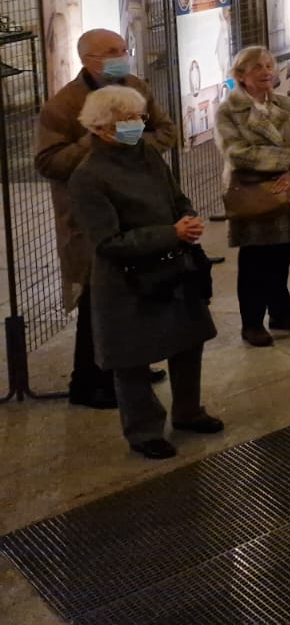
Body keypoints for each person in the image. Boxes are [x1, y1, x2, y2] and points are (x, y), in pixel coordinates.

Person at [68, 86, 221, 459]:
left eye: (139, 117)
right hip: (128, 279)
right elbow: (108, 242)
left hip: (173, 266)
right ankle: (143, 430)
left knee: (187, 341)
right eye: (127, 120)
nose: (137, 125)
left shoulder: (147, 154)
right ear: (101, 128)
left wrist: (185, 217)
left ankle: (188, 410)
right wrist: (171, 233)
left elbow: (174, 195)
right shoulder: (88, 176)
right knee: (131, 359)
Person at [35, 28, 177, 409]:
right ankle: (89, 381)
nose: (122, 55)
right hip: (89, 215)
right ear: (87, 60)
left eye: (124, 48)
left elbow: (164, 130)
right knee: (98, 297)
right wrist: (96, 141)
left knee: (137, 289)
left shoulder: (135, 86)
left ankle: (132, 363)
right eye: (111, 51)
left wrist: (131, 144)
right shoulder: (62, 106)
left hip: (138, 208)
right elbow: (48, 162)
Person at [215, 47, 290, 348]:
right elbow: (238, 154)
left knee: (282, 256)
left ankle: (281, 313)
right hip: (252, 195)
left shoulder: (286, 104)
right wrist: (287, 158)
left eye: (269, 65)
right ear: (241, 76)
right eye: (257, 67)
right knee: (255, 261)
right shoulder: (228, 111)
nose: (266, 72)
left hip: (287, 193)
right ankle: (252, 322)